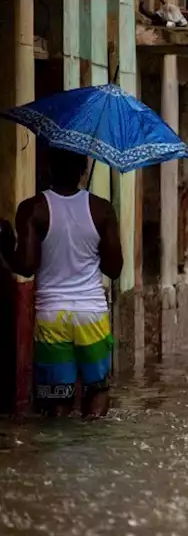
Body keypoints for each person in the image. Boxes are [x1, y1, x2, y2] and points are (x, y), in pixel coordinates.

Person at [0, 147, 123, 418]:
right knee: (97, 392)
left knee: (57, 404)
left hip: (52, 316)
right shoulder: (102, 210)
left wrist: (7, 245)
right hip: (91, 315)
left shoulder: (33, 209)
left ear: (49, 168)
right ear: (83, 170)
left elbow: (27, 267)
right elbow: (115, 269)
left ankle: (59, 456)